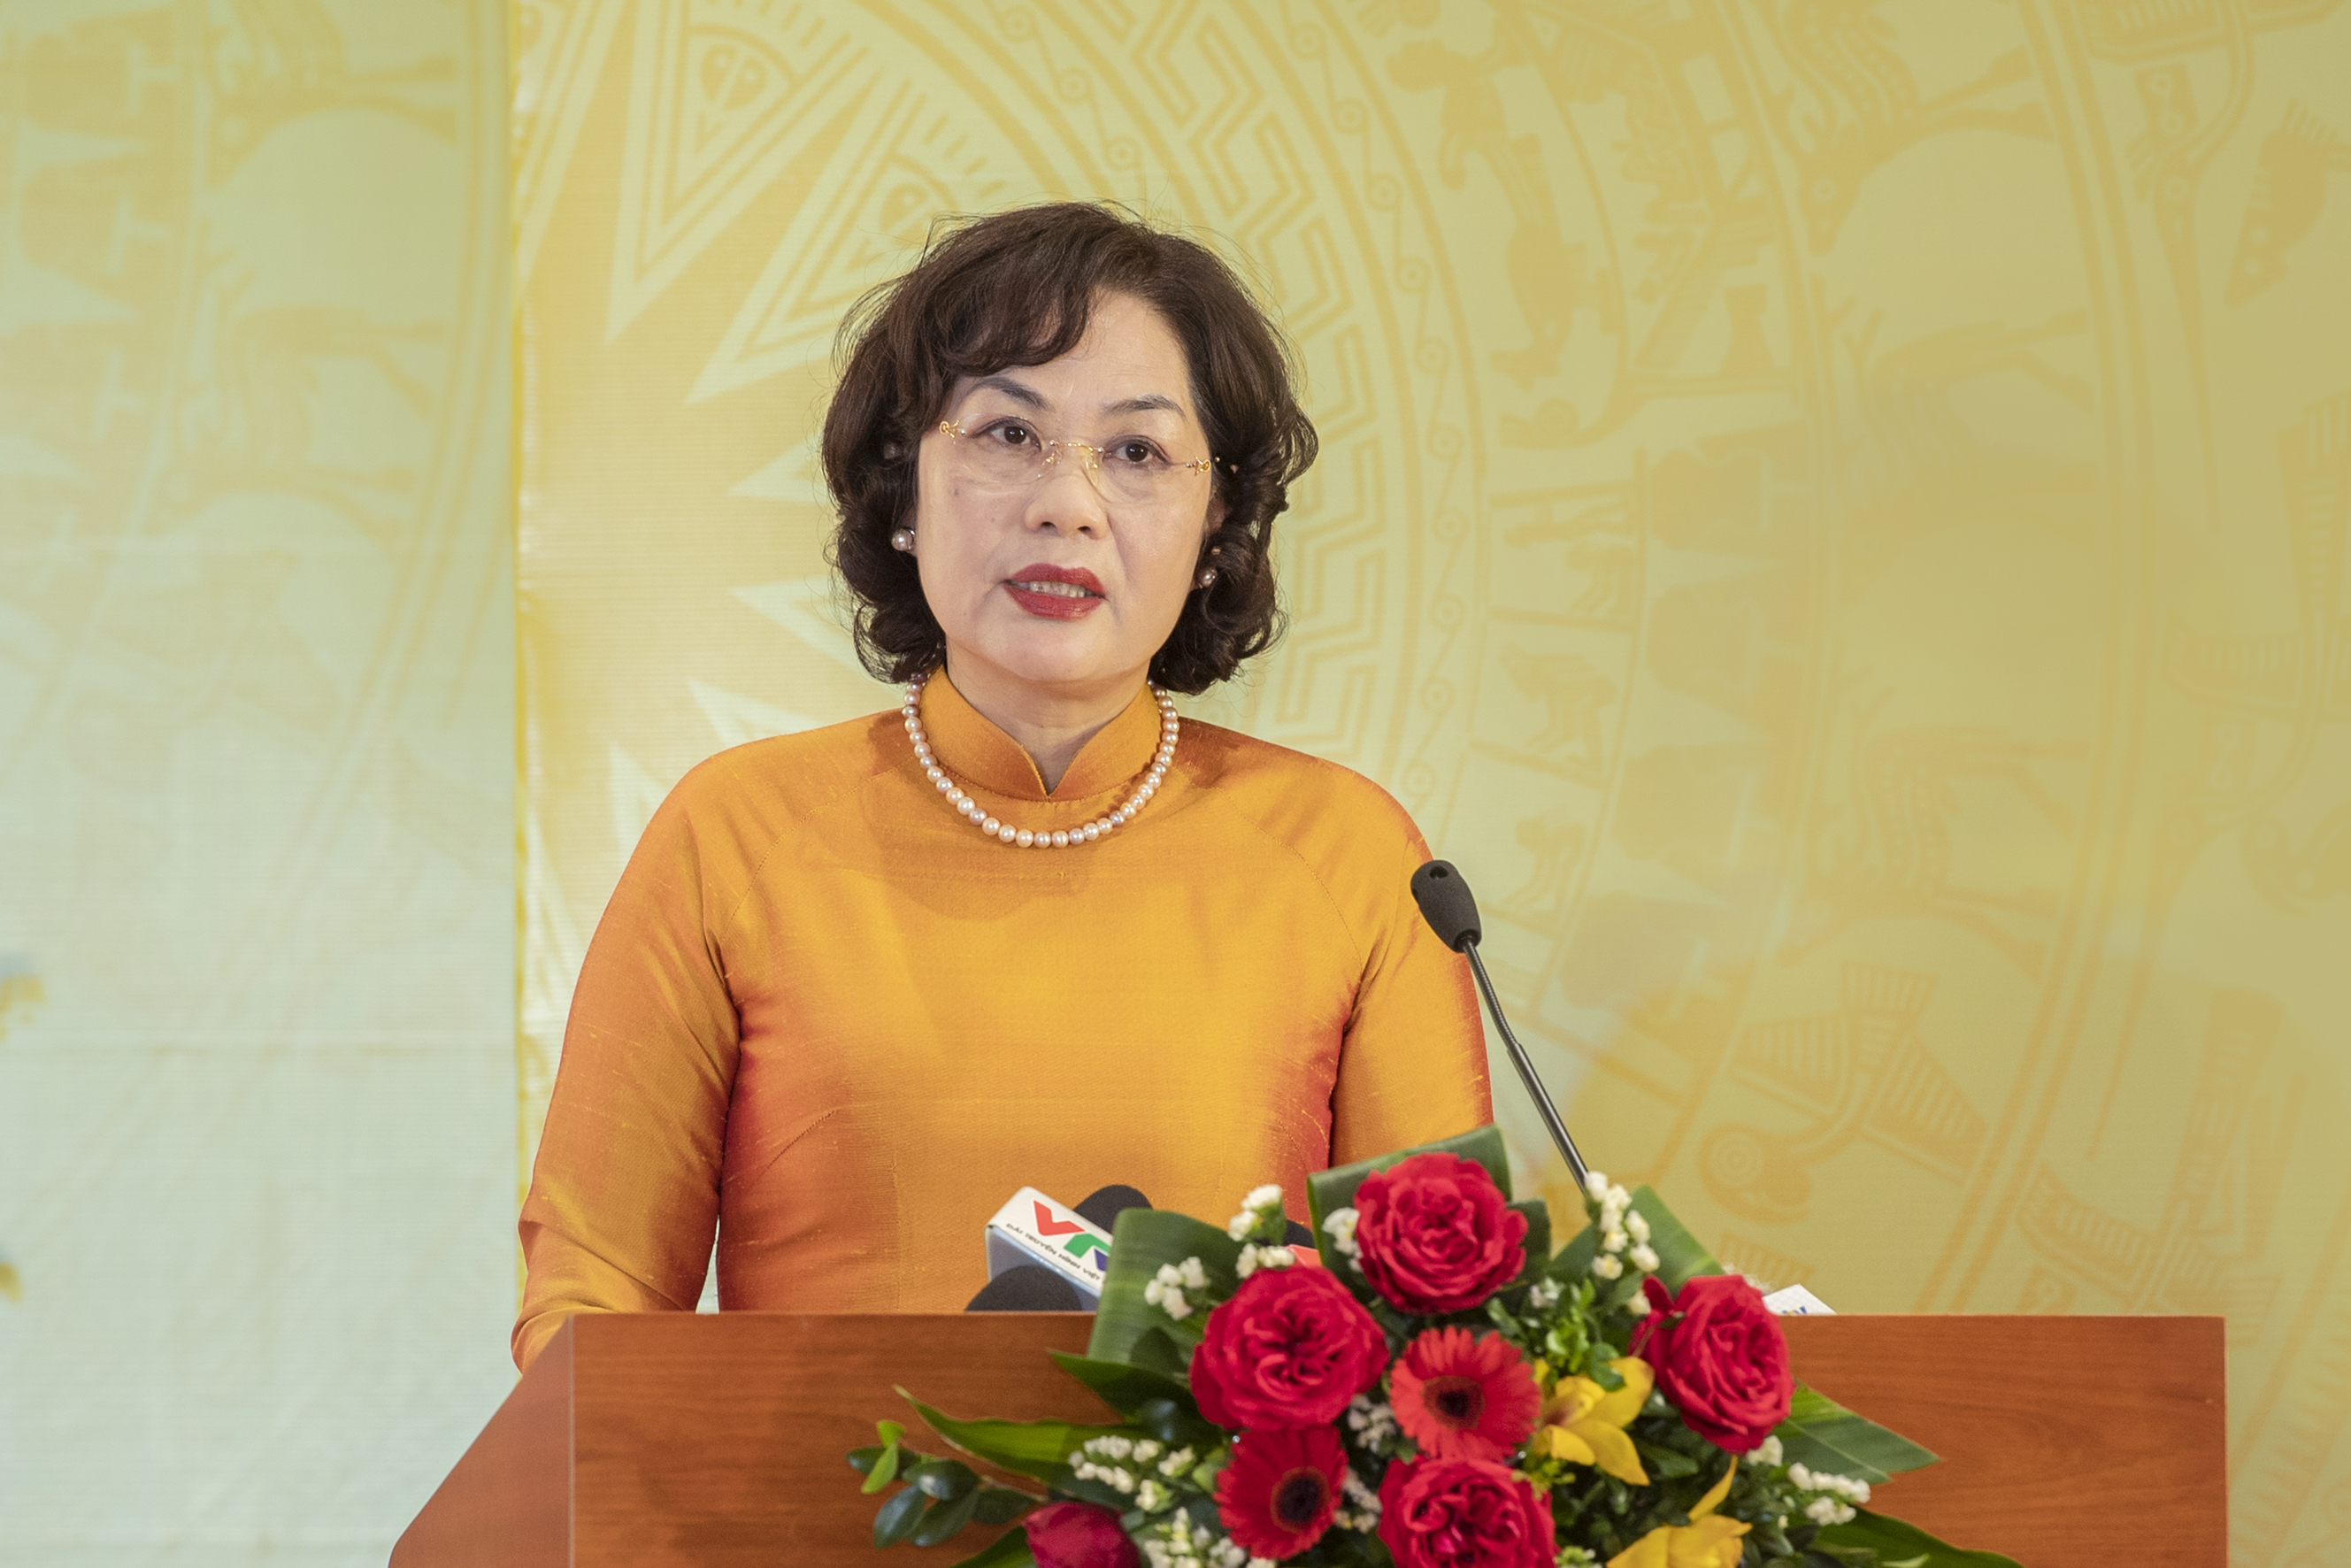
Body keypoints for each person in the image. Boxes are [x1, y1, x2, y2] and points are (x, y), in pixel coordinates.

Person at [513, 204, 1490, 1370]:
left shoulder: (1348, 854)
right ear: (903, 486)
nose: (1065, 504)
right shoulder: (735, 835)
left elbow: (1442, 1340)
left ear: (1216, 516)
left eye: (1137, 452)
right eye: (1007, 434)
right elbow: (592, 1302)